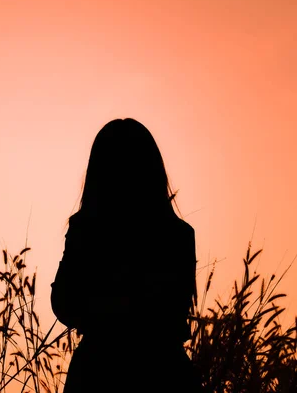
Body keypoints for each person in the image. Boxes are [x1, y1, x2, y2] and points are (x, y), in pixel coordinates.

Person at [50, 118, 205, 392]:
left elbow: (63, 302)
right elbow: (171, 308)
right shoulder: (178, 235)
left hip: (98, 372)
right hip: (165, 372)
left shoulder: (86, 229)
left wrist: (101, 311)